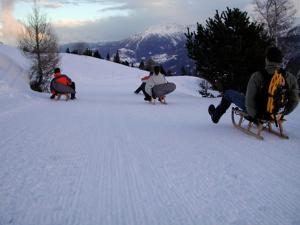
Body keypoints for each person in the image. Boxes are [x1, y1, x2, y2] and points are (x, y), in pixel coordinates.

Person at [208, 46, 299, 123]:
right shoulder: (290, 78)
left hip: (258, 113)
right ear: (280, 61)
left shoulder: (257, 76)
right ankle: (272, 113)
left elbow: (249, 101)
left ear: (267, 59)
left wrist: (255, 117)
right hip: (276, 114)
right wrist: (282, 114)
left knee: (228, 93)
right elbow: (294, 100)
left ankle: (215, 116)